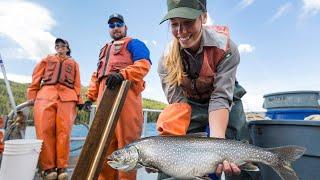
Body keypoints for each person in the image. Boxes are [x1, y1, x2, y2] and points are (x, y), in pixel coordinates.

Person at [157, 0, 250, 179]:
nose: (181, 32)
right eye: (175, 24)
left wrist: (217, 145)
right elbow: (178, 105)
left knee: (240, 153)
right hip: (188, 104)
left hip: (224, 99)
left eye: (188, 22)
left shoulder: (226, 48)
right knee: (169, 167)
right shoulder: (165, 61)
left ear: (204, 17)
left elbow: (221, 98)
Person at [85, 13, 151, 180]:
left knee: (127, 146)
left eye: (118, 24)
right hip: (104, 101)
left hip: (126, 100)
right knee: (104, 145)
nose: (115, 28)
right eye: (112, 26)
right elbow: (97, 75)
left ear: (125, 27)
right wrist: (90, 97)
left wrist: (123, 74)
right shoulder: (104, 50)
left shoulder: (134, 44)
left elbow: (144, 64)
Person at [27, 38, 83, 180]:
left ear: (67, 48)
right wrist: (32, 94)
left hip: (68, 98)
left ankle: (62, 167)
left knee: (64, 132)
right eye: (57, 45)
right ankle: (48, 168)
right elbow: (36, 77)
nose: (59, 47)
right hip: (46, 95)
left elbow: (77, 83)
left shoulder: (74, 63)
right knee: (44, 131)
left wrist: (79, 99)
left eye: (62, 45)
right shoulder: (46, 59)